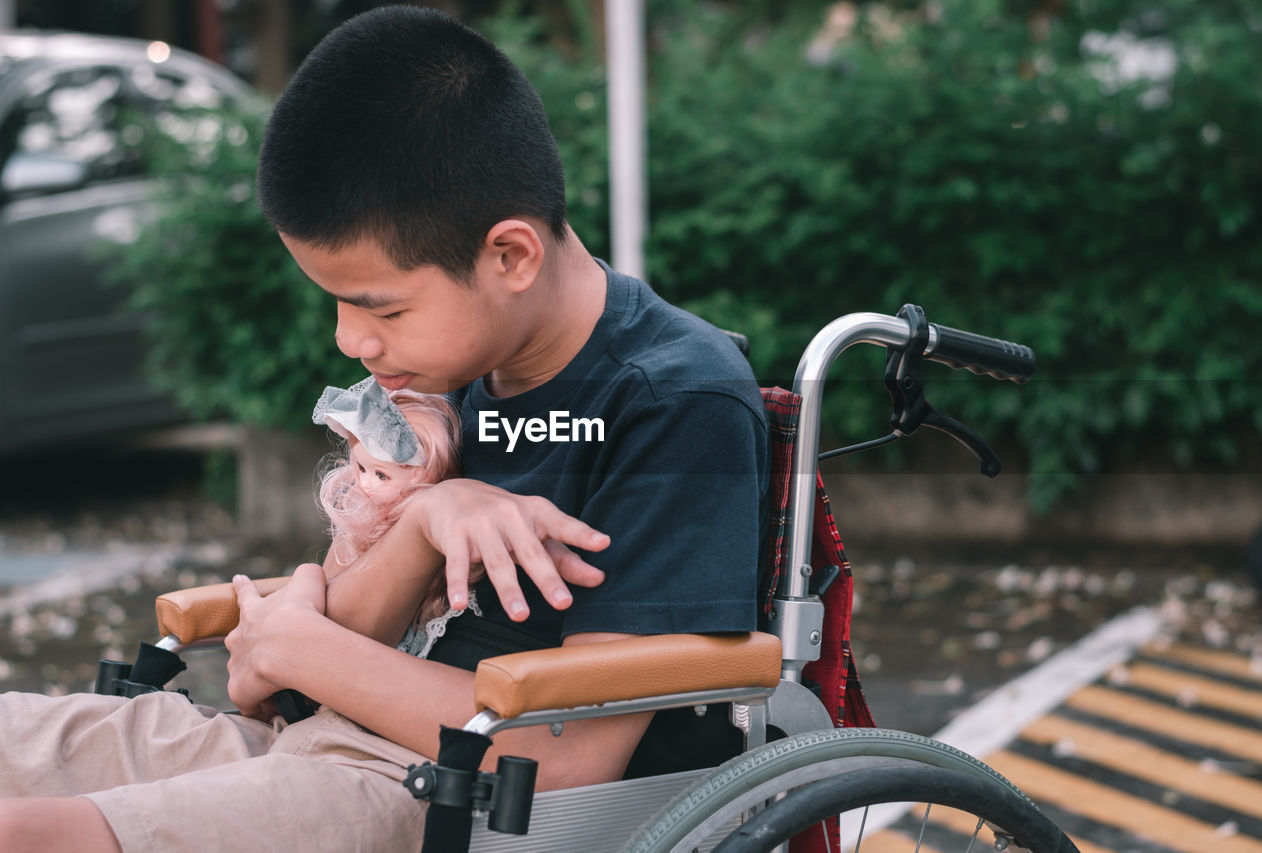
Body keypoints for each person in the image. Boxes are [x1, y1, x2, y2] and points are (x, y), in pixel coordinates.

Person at [0, 6, 768, 852]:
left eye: (383, 306)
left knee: (44, 834)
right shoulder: (455, 371)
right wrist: (424, 526)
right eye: (336, 300)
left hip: (462, 794)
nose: (351, 342)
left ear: (511, 257)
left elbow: (571, 754)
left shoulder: (672, 399)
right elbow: (296, 676)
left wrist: (294, 644)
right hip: (322, 740)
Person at [312, 376, 482, 656]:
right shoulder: (362, 514)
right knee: (308, 577)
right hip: (350, 629)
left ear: (419, 474)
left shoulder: (436, 519)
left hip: (398, 642)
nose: (365, 485)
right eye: (361, 469)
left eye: (382, 475)